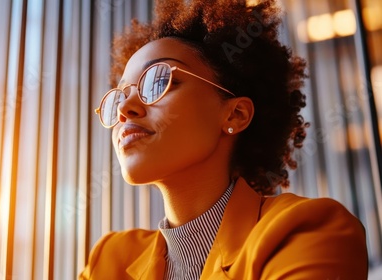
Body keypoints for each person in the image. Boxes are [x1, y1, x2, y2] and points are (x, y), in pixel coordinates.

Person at [80, 0, 368, 279]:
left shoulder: (304, 231)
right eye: (119, 95)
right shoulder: (109, 260)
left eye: (158, 81)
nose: (123, 109)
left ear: (235, 115)